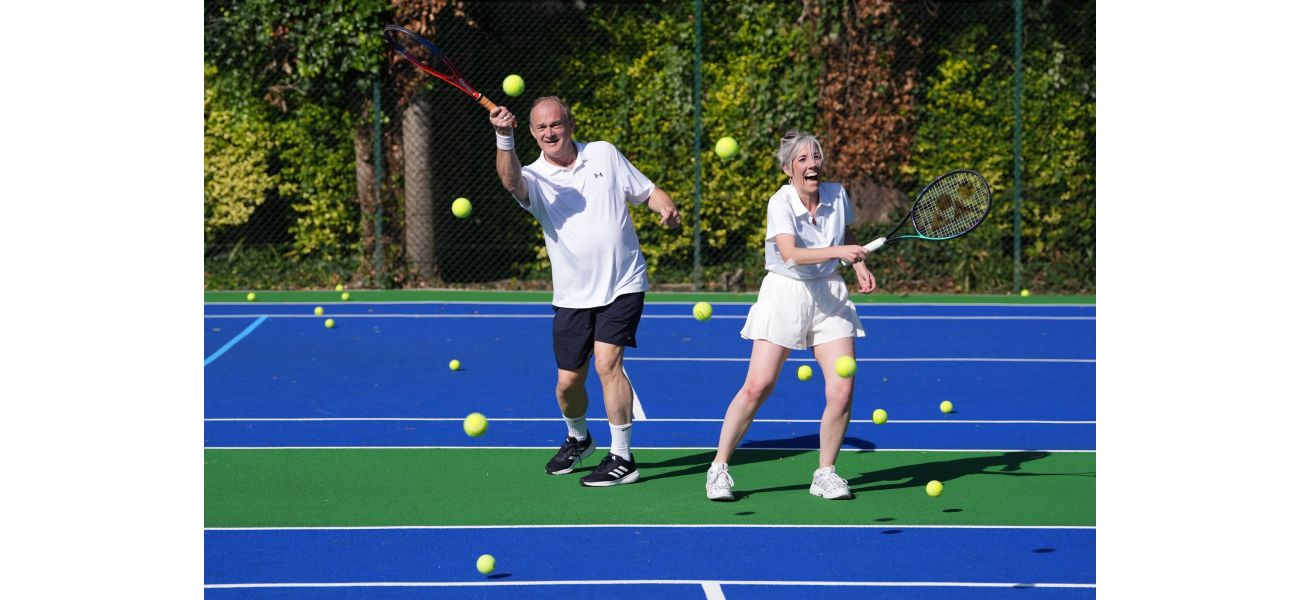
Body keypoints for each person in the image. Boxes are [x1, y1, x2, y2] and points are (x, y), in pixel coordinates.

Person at [489, 96, 681, 487]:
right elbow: (510, 181)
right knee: (567, 384)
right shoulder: (534, 177)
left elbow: (647, 191)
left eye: (555, 125)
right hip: (573, 295)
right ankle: (579, 437)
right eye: (541, 128)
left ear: (570, 124)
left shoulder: (604, 154)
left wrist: (666, 207)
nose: (549, 133)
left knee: (607, 363)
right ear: (532, 133)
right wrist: (503, 138)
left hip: (623, 282)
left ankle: (623, 457)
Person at [705, 129, 877, 501]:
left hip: (829, 294)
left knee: (842, 388)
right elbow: (792, 254)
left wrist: (858, 266)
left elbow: (841, 243)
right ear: (788, 169)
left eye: (816, 157)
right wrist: (840, 251)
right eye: (802, 159)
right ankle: (718, 468)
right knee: (758, 386)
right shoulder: (779, 202)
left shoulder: (837, 195)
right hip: (784, 292)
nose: (812, 164)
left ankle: (825, 473)